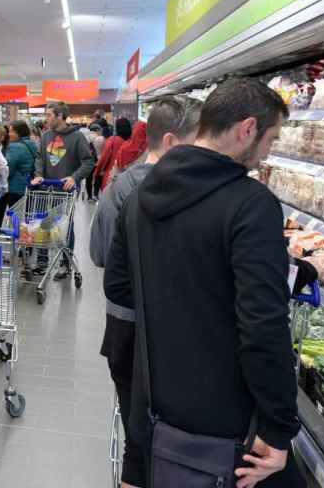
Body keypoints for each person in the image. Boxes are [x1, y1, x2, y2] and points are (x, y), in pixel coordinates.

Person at [105, 77, 301, 488]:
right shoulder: (253, 205)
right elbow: (263, 324)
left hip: (154, 398)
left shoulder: (139, 194)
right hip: (225, 420)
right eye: (271, 139)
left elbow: (119, 287)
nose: (269, 152)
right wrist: (278, 427)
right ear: (247, 129)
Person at [89, 96, 202, 488]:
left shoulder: (122, 187)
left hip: (125, 324)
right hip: (170, 329)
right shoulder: (198, 192)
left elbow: (99, 252)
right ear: (171, 142)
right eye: (200, 140)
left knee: (139, 423)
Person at [31, 102, 95, 278]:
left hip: (64, 190)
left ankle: (65, 263)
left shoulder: (77, 138)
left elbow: (88, 162)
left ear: (60, 116)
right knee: (43, 224)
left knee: (64, 227)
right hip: (45, 187)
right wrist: (38, 173)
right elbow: (39, 158)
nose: (46, 118)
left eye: (50, 115)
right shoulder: (46, 136)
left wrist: (74, 177)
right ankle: (42, 262)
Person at [0, 120, 39, 227]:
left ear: (19, 133)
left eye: (11, 132)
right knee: (22, 217)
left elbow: (9, 168)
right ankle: (23, 240)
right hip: (25, 185)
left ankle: (9, 239)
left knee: (5, 217)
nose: (8, 134)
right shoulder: (31, 144)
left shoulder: (15, 147)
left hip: (13, 188)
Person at [94, 117, 132, 192]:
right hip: (128, 181)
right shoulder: (132, 142)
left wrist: (96, 173)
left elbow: (103, 159)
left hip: (111, 179)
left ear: (117, 128)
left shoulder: (113, 140)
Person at [84, 124, 105, 201]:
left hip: (88, 161)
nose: (101, 132)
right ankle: (95, 194)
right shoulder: (100, 138)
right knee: (98, 177)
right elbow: (103, 150)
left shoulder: (85, 138)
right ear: (97, 130)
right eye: (100, 130)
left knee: (88, 178)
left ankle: (89, 196)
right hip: (98, 161)